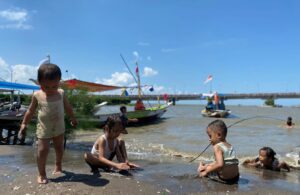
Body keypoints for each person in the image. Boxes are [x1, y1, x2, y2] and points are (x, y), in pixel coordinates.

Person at [18, 63, 77, 184]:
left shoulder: (61, 93)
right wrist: (24, 123)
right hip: (44, 128)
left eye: (54, 86)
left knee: (59, 148)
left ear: (59, 82)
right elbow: (30, 110)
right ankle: (41, 174)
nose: (50, 89)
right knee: (43, 150)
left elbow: (68, 107)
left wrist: (72, 118)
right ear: (39, 82)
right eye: (46, 86)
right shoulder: (37, 95)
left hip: (59, 127)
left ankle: (58, 165)